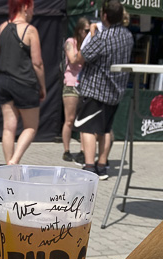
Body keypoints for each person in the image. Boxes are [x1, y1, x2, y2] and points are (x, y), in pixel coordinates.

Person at [74, 0, 133, 180]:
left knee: (87, 128)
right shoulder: (128, 36)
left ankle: (90, 166)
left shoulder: (102, 37)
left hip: (96, 89)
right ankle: (102, 165)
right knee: (106, 130)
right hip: (115, 91)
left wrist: (91, 35)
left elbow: (80, 58)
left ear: (104, 16)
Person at [0, 0, 46, 165]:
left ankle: (8, 166)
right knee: (31, 127)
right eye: (32, 8)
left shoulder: (1, 28)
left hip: (3, 82)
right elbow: (37, 63)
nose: (33, 12)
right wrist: (42, 87)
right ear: (25, 7)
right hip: (25, 83)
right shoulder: (30, 30)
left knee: (8, 128)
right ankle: (14, 161)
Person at [61, 17, 89, 163]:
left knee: (84, 120)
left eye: (90, 31)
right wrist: (86, 52)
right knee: (70, 120)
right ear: (79, 30)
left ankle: (83, 151)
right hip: (71, 84)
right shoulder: (70, 43)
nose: (88, 33)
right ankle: (66, 150)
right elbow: (72, 60)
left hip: (85, 85)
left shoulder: (89, 44)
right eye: (86, 30)